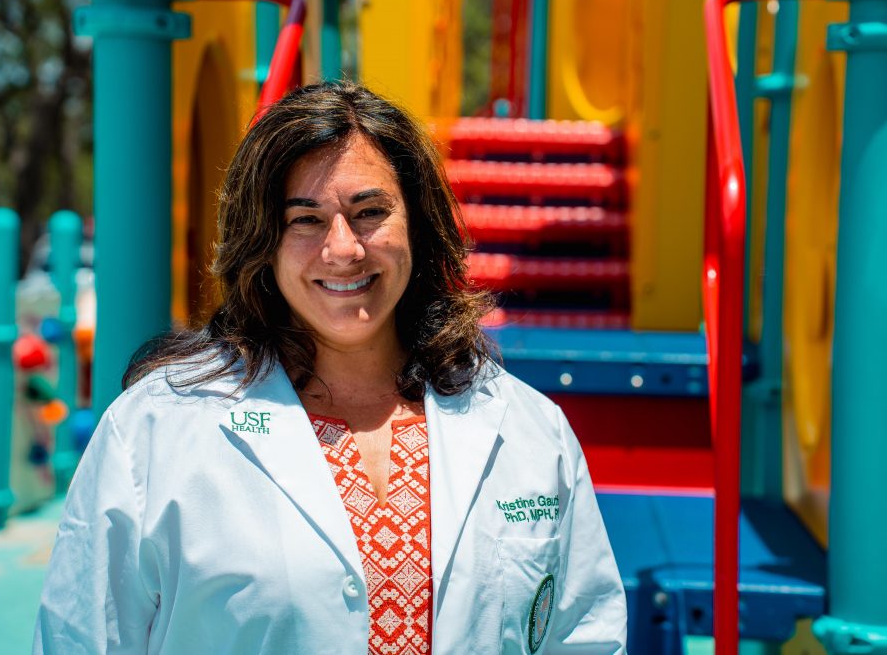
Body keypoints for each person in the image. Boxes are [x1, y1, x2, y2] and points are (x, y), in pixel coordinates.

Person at [34, 81, 627, 654]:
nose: (343, 249)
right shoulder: (156, 432)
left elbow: (585, 636)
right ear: (262, 240)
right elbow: (83, 637)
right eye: (305, 219)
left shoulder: (527, 427)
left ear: (418, 225)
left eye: (370, 212)